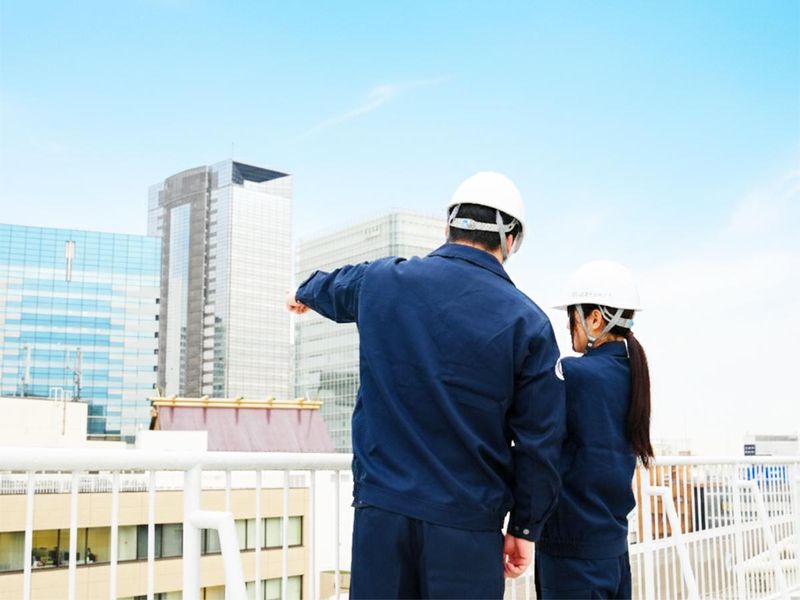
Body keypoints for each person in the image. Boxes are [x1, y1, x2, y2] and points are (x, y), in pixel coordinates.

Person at [287, 172, 566, 599]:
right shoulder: (528, 322)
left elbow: (330, 285)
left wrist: (305, 293)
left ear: (449, 225)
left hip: (381, 517)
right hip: (468, 527)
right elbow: (540, 440)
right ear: (510, 240)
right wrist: (525, 527)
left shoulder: (381, 281)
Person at [535, 260, 654, 599]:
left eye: (571, 315)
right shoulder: (633, 376)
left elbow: (535, 441)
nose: (568, 325)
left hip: (572, 558)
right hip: (613, 552)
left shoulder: (573, 375)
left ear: (595, 319)